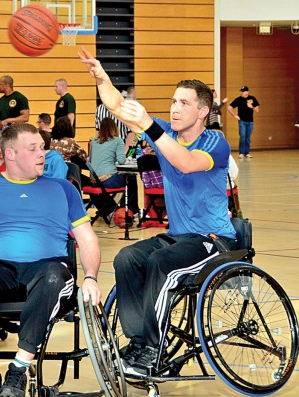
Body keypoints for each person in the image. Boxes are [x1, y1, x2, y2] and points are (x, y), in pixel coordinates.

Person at [79, 48, 236, 376]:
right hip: (178, 236)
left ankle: (152, 350)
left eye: (184, 103)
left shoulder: (214, 142)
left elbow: (184, 161)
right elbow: (118, 107)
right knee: (127, 258)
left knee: (161, 264)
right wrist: (102, 77)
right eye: (173, 102)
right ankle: (139, 341)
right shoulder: (164, 132)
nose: (175, 108)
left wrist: (150, 125)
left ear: (203, 111)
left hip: (213, 240)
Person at [0, 122, 102, 397]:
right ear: (10, 154)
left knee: (52, 276)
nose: (43, 154)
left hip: (47, 268)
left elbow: (86, 238)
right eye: (33, 148)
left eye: (42, 147)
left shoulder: (63, 189)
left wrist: (90, 277)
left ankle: (19, 370)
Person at [89, 117, 139, 216]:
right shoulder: (117, 141)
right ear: (114, 128)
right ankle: (131, 210)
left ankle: (112, 210)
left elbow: (91, 159)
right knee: (131, 177)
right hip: (108, 180)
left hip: (94, 181)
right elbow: (121, 161)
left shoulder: (94, 141)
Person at [227, 86, 260, 159]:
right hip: (242, 121)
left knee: (248, 137)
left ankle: (247, 152)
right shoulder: (238, 99)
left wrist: (251, 106)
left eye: (243, 91)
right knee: (243, 136)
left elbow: (257, 109)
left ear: (247, 92)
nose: (241, 92)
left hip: (250, 121)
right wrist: (234, 115)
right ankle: (241, 153)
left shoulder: (252, 98)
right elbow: (229, 108)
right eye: (241, 91)